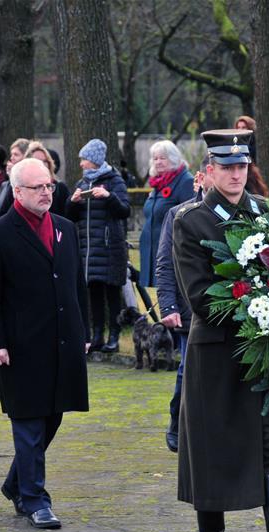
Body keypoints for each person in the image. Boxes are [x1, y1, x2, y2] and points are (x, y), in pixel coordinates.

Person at [173, 129, 269, 532]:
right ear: (210, 170)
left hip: (268, 354)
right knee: (213, 448)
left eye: (241, 167)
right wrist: (264, 309)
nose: (235, 174)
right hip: (216, 354)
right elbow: (199, 295)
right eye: (226, 167)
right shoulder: (190, 220)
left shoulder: (266, 213)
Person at [0, 158, 90, 529]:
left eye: (49, 185)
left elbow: (77, 286)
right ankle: (35, 499)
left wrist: (84, 332)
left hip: (62, 341)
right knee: (28, 421)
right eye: (37, 187)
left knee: (52, 418)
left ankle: (16, 483)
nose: (47, 192)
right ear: (18, 191)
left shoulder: (65, 228)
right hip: (20, 345)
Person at [156, 155, 211, 453]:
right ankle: (178, 421)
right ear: (201, 178)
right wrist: (167, 306)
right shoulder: (179, 214)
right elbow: (164, 263)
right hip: (188, 309)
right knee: (187, 370)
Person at [67, 138, 130, 353]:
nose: (81, 164)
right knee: (93, 293)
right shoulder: (82, 184)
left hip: (109, 248)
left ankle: (114, 335)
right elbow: (70, 216)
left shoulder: (115, 181)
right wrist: (72, 202)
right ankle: (96, 336)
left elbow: (124, 210)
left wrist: (108, 196)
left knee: (112, 293)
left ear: (94, 160)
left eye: (84, 159)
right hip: (88, 250)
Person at [139, 140, 194, 288]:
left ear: (174, 158)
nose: (158, 162)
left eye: (163, 158)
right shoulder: (157, 183)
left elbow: (189, 217)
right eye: (155, 158)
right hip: (151, 249)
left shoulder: (185, 181)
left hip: (170, 249)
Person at [25, 141, 69, 217]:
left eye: (45, 161)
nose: (41, 164)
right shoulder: (22, 187)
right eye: (37, 161)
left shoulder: (60, 188)